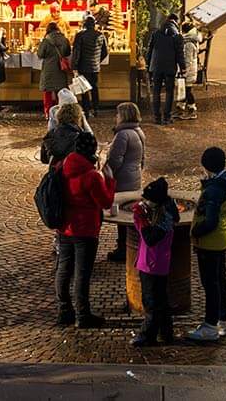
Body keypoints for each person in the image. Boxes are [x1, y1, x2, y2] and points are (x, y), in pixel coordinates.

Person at [55, 127, 115, 328]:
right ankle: (83, 315)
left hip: (64, 226)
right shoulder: (92, 176)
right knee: (82, 274)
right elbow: (106, 202)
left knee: (63, 270)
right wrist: (110, 180)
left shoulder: (63, 166)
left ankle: (64, 311)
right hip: (86, 230)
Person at [187, 145, 226, 342]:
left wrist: (194, 231)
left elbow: (210, 220)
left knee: (211, 284)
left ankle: (209, 325)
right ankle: (222, 321)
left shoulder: (214, 190)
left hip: (209, 242)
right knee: (220, 281)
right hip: (221, 239)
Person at [130, 175, 180, 347]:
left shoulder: (163, 219)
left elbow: (150, 238)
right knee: (161, 300)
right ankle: (166, 332)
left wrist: (139, 218)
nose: (145, 201)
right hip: (158, 263)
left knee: (151, 301)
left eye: (148, 199)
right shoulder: (167, 211)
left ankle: (147, 334)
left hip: (152, 264)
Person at [103, 102, 147, 262]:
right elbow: (143, 159)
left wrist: (106, 170)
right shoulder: (138, 131)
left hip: (123, 181)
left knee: (122, 215)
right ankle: (129, 246)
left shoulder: (123, 135)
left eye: (118, 114)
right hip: (134, 178)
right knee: (130, 215)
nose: (116, 117)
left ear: (124, 116)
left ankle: (123, 249)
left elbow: (115, 160)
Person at [145, 13, 185, 125]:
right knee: (169, 92)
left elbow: (150, 50)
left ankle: (157, 117)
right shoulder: (177, 36)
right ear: (176, 22)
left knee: (156, 92)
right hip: (169, 67)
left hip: (156, 66)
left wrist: (148, 64)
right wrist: (183, 68)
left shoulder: (156, 33)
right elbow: (180, 54)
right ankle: (167, 117)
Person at [37, 18, 72, 119]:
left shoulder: (46, 40)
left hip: (48, 69)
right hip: (61, 69)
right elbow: (68, 52)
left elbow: (40, 54)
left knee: (47, 92)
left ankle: (48, 112)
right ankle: (60, 111)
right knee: (60, 92)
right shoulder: (64, 39)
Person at [39, 96, 87, 165]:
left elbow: (44, 159)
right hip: (74, 172)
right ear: (78, 118)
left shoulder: (51, 134)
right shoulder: (83, 137)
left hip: (56, 172)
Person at [71, 15, 105, 110]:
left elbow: (76, 52)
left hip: (83, 66)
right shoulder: (100, 35)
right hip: (95, 67)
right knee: (94, 87)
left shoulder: (80, 35)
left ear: (84, 24)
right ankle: (96, 108)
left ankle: (86, 109)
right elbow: (105, 52)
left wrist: (74, 66)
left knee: (84, 88)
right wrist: (97, 61)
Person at [180, 19, 204, 116]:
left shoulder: (188, 43)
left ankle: (191, 107)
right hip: (191, 70)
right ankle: (184, 106)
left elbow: (188, 60)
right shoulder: (192, 40)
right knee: (186, 90)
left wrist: (184, 71)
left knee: (187, 90)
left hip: (189, 71)